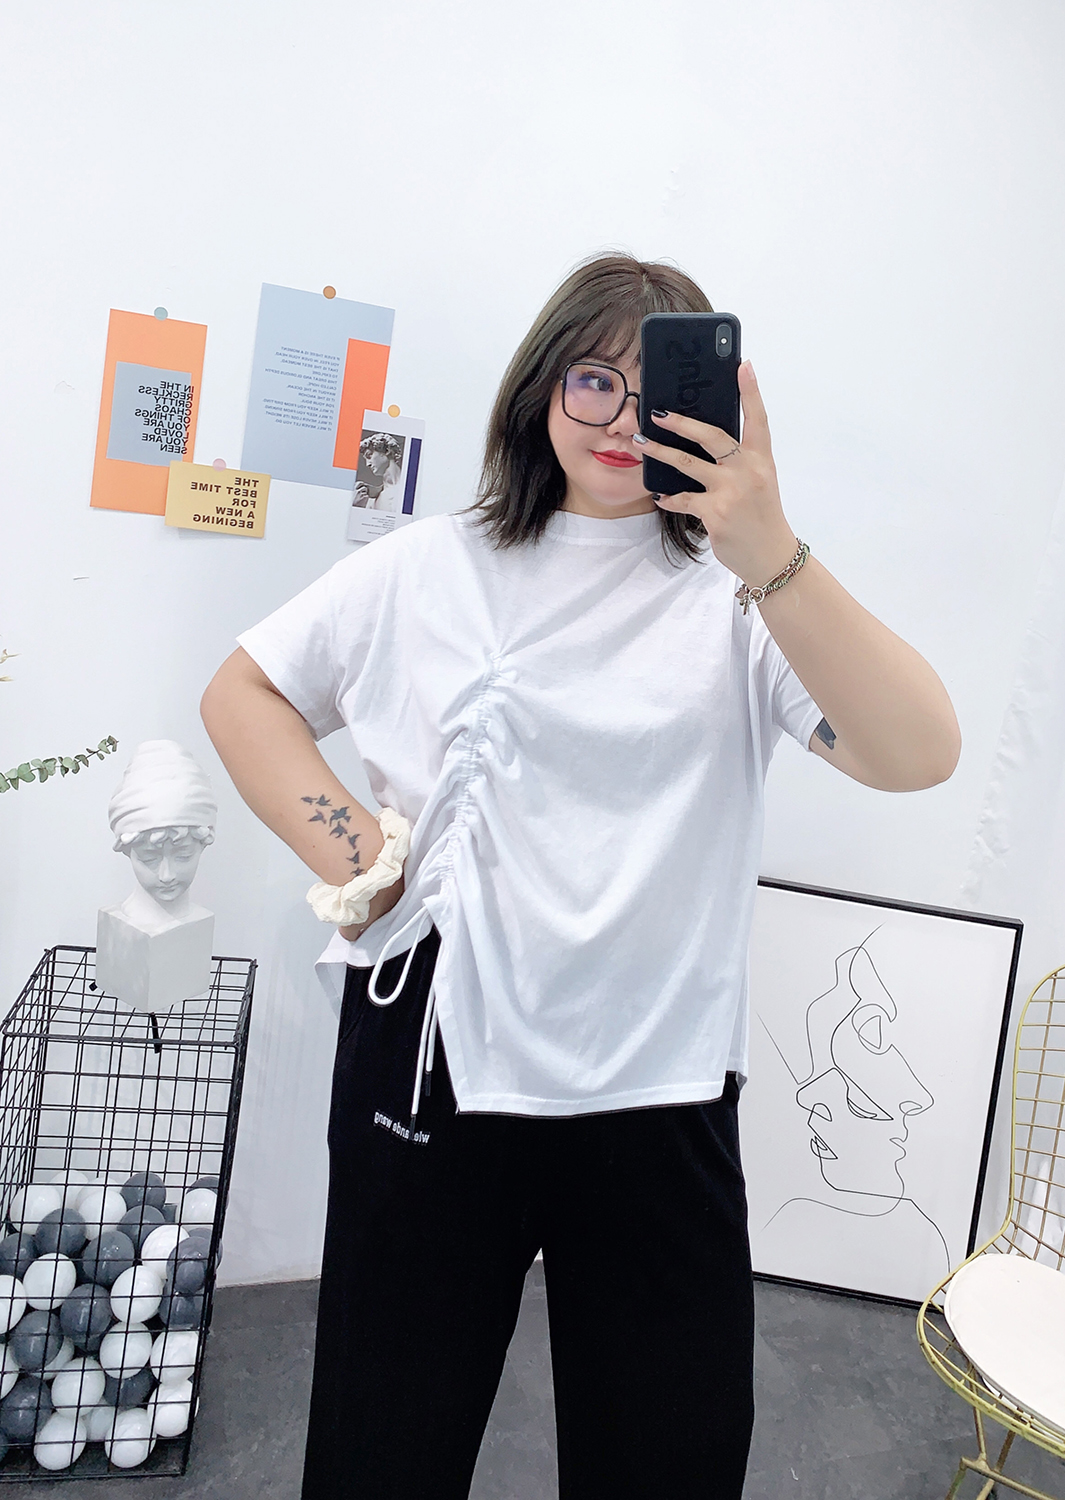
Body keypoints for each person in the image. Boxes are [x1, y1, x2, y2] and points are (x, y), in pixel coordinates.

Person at [200, 253, 960, 1499]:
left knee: (668, 1456)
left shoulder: (740, 604)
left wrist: (768, 544)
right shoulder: (427, 566)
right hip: (435, 1061)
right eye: (593, 379)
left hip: (657, 1083)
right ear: (541, 388)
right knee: (385, 1445)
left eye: (658, 391)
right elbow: (246, 692)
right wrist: (361, 859)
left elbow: (918, 752)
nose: (620, 419)